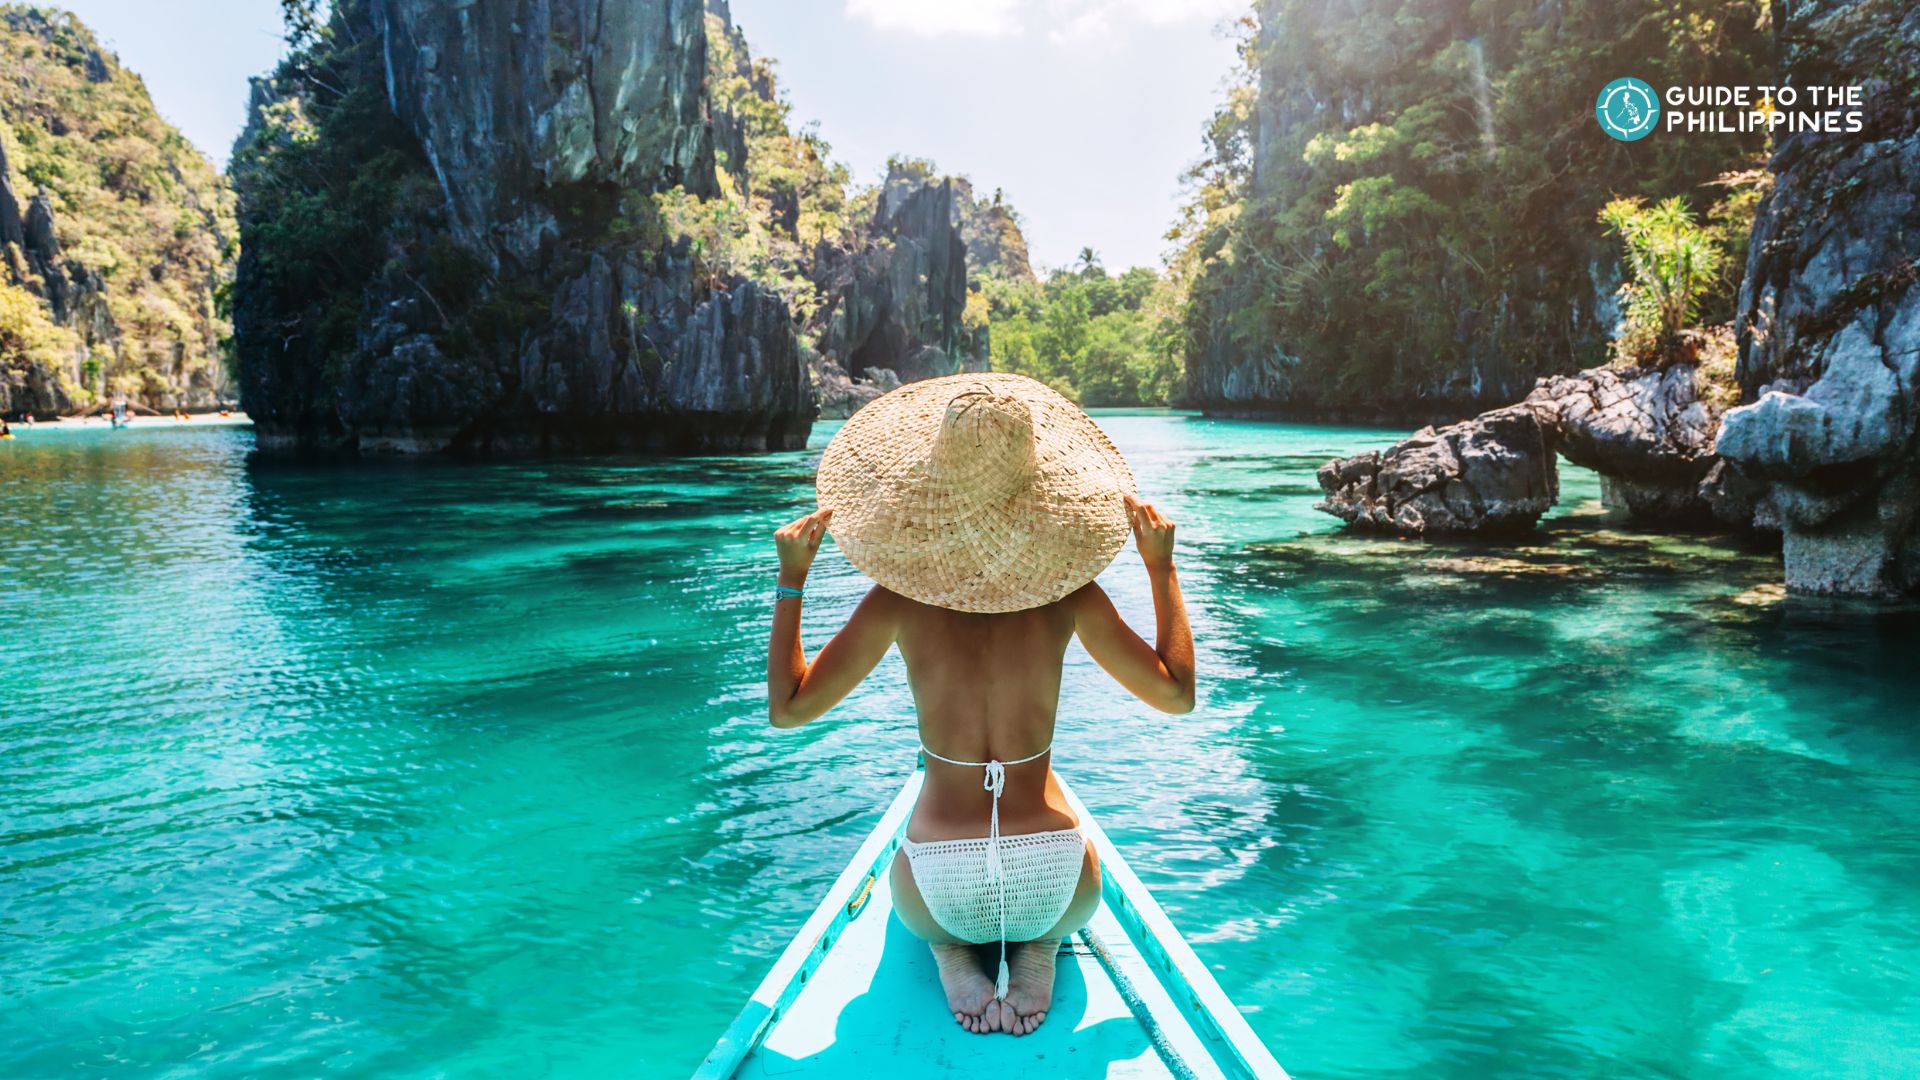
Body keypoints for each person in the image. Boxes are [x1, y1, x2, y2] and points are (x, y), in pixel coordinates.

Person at [766, 373, 1195, 1038]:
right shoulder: (1070, 597)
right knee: (1054, 838)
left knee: (927, 905)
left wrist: (792, 580)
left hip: (938, 890)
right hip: (1060, 883)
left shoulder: (898, 604)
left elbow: (789, 709)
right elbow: (1175, 694)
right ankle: (1042, 945)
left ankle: (949, 950)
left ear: (930, 492)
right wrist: (1160, 568)